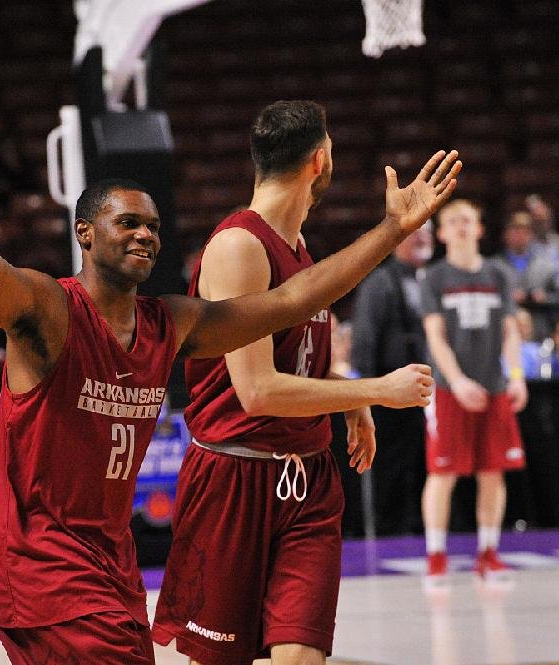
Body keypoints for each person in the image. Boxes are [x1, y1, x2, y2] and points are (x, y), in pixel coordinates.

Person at [0, 40, 460, 663]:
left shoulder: (167, 323)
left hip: (111, 562)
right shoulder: (46, 310)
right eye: (127, 223)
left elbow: (290, 302)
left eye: (153, 226)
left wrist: (393, 229)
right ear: (84, 234)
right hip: (42, 563)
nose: (145, 234)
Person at [152, 100, 451, 665]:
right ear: (320, 160)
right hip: (233, 477)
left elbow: (297, 364)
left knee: (302, 655)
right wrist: (375, 391)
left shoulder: (300, 250)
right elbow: (258, 391)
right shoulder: (239, 246)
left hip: (307, 480)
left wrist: (347, 400)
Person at [420, 199, 528, 587]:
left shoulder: (498, 273)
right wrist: (457, 380)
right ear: (442, 233)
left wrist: (516, 376)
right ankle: (436, 556)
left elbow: (510, 331)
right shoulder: (434, 278)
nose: (461, 226)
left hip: (493, 386)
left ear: (480, 229)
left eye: (467, 220)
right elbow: (435, 337)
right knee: (442, 472)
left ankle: (488, 553)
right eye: (453, 221)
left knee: (493, 471)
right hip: (450, 390)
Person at [351, 221, 434, 536]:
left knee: (428, 466)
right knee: (392, 468)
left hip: (430, 394)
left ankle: (426, 530)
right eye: (415, 233)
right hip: (392, 396)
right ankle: (390, 534)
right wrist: (370, 394)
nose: (422, 238)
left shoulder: (434, 279)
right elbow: (364, 340)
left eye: (427, 232)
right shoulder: (381, 282)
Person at [497, 210, 559, 338]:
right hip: (505, 331)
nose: (520, 236)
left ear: (532, 235)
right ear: (506, 234)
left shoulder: (547, 266)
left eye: (525, 231)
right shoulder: (495, 266)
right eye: (515, 231)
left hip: (540, 331)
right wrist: (507, 297)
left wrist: (545, 297)